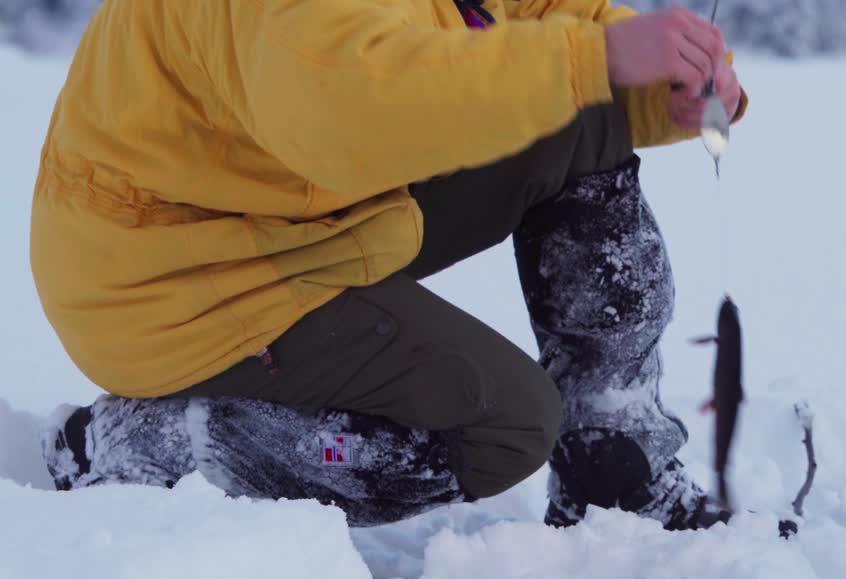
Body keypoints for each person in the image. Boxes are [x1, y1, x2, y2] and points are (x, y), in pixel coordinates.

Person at [32, 0, 745, 531]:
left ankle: (610, 469)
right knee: (501, 427)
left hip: (297, 212)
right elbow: (339, 103)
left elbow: (532, 15)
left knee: (583, 115)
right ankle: (137, 447)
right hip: (169, 278)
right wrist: (592, 59)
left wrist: (667, 86)